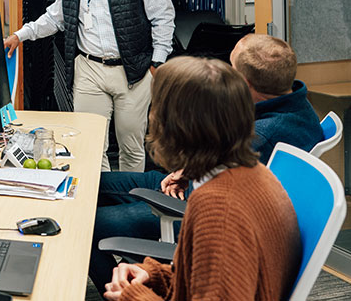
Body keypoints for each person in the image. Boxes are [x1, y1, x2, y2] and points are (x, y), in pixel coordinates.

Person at [89, 34, 322, 290]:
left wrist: (131, 294)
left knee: (84, 225)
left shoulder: (257, 142)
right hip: (196, 189)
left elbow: (215, 282)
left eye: (230, 69)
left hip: (187, 203)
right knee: (88, 187)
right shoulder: (296, 104)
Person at [4, 0, 175, 172]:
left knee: (131, 145)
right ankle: (100, 194)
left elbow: (163, 16)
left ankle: (127, 194)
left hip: (134, 70)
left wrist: (157, 62)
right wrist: (20, 35)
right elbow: (55, 19)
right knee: (92, 144)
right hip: (89, 69)